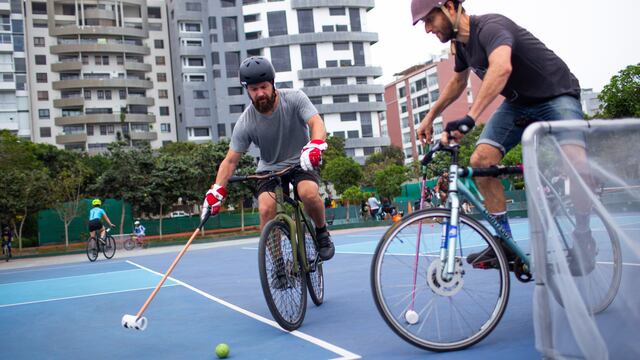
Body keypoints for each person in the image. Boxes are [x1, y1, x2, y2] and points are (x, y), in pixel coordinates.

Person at [412, 0, 592, 269]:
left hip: (556, 95)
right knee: (481, 161)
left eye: (429, 20)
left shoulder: (491, 27)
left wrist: (470, 119)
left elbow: (501, 68)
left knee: (576, 163)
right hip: (518, 104)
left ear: (449, 7)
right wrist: (429, 117)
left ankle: (583, 235)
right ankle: (505, 242)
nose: (427, 29)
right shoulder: (462, 46)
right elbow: (457, 82)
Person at [201, 56, 335, 262]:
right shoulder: (246, 121)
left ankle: (322, 233)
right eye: (254, 89)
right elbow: (230, 161)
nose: (260, 93)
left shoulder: (295, 98)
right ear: (247, 91)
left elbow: (316, 122)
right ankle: (278, 263)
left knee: (308, 193)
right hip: (269, 168)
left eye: (264, 87)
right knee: (265, 208)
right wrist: (217, 190)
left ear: (273, 84)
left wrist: (315, 144)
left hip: (301, 160)